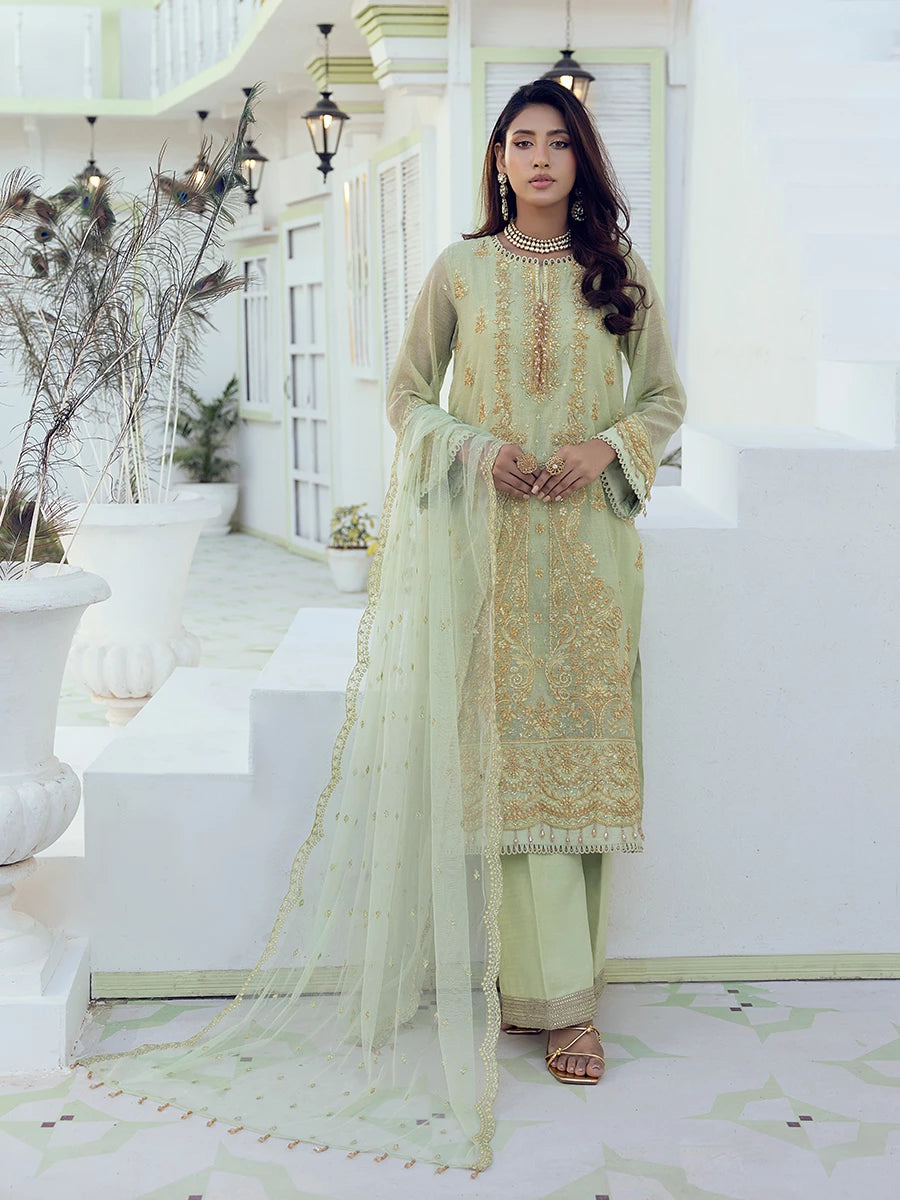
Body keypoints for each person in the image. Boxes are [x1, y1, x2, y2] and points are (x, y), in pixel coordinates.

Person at [73, 79, 685, 1174]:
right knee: (502, 763)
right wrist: (477, 449)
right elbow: (407, 397)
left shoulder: (620, 273)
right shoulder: (461, 270)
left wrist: (606, 448)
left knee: (578, 767)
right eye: (521, 141)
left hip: (590, 556)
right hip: (486, 552)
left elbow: (666, 400)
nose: (540, 158)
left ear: (583, 159)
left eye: (558, 142)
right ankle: (525, 988)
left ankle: (571, 999)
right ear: (499, 161)